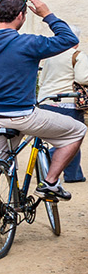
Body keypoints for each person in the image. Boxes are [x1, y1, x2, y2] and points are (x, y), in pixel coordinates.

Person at [0, 0, 83, 200]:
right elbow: (69, 39)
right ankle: (51, 183)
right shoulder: (28, 43)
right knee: (78, 130)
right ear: (20, 16)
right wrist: (46, 14)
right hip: (22, 115)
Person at [37, 26, 88, 183]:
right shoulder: (77, 55)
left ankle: (74, 175)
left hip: (46, 101)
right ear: (76, 41)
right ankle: (47, 164)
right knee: (73, 138)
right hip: (67, 103)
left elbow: (42, 79)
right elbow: (82, 78)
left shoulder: (52, 56)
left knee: (68, 138)